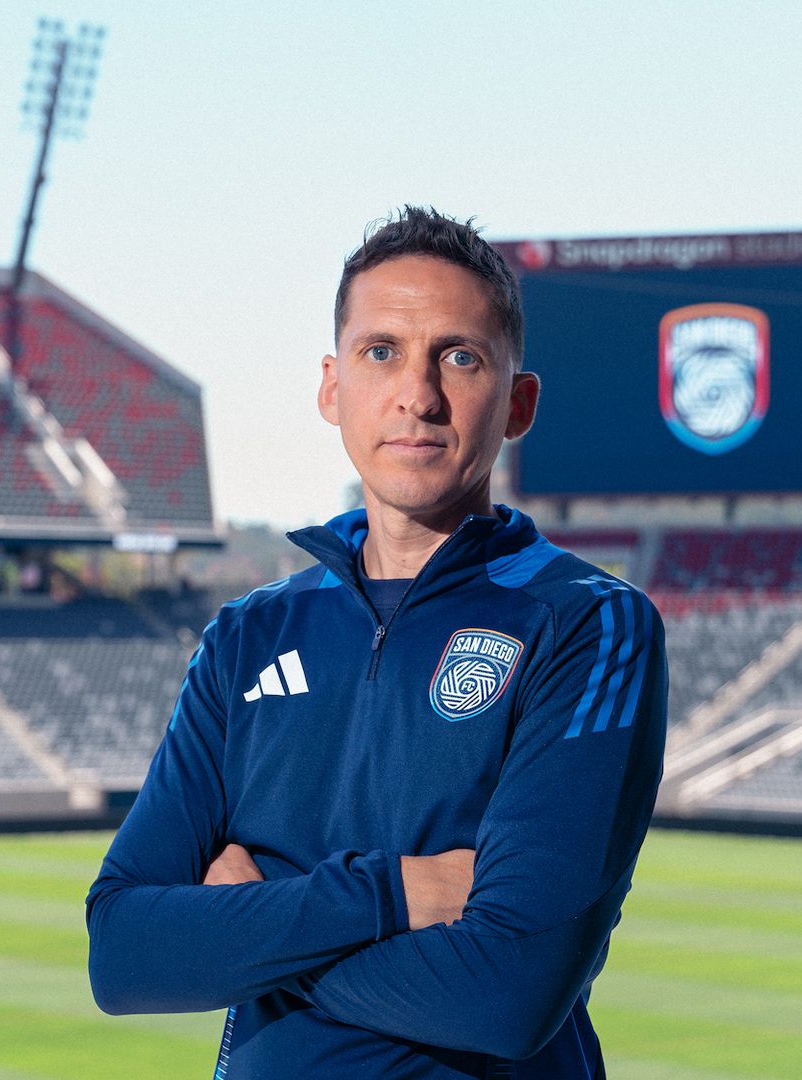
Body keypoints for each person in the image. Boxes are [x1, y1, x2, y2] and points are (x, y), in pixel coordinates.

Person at [85, 206, 668, 1078]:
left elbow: (508, 993)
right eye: (381, 351)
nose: (418, 395)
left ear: (519, 403)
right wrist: (398, 893)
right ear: (332, 386)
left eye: (459, 357)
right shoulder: (250, 635)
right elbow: (124, 954)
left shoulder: (586, 621)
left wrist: (258, 932)